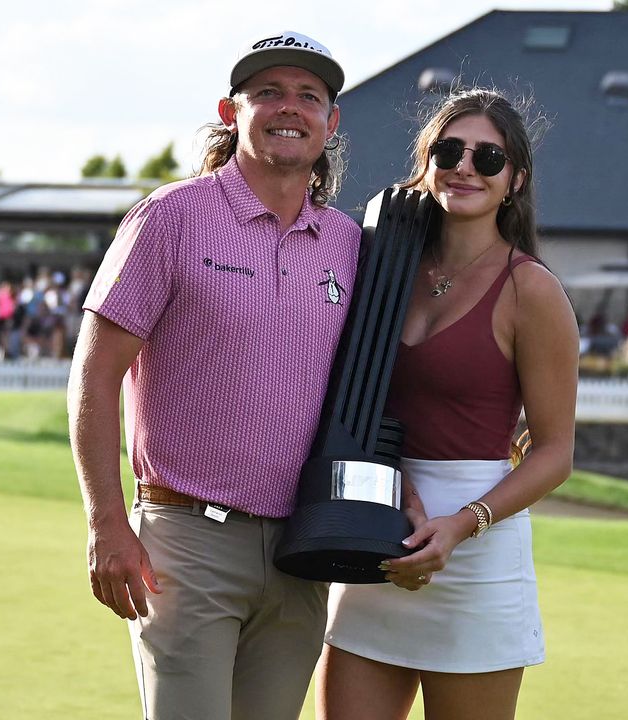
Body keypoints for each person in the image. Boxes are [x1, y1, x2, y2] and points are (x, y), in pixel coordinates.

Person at [67, 31, 359, 720]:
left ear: (331, 122)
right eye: (268, 93)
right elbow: (95, 370)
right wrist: (107, 522)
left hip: (300, 550)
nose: (289, 108)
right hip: (187, 540)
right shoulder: (170, 218)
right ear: (231, 112)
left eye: (308, 97)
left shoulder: (348, 242)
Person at [318, 88, 578, 720]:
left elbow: (555, 454)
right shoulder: (379, 264)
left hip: (478, 559)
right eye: (449, 150)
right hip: (375, 533)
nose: (465, 167)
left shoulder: (531, 290)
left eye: (488, 158)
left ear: (515, 181)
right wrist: (393, 486)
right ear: (426, 161)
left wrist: (463, 524)